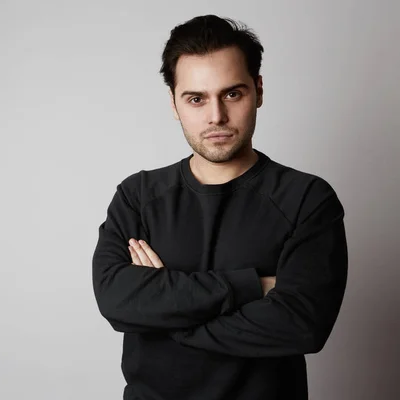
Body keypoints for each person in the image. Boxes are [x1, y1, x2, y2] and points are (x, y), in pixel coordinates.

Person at [91, 15, 348, 400]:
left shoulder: (307, 199)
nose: (216, 117)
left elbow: (302, 324)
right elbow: (116, 299)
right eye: (196, 99)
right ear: (175, 104)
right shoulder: (138, 196)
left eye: (232, 94)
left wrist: (167, 314)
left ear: (258, 91)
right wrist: (252, 286)